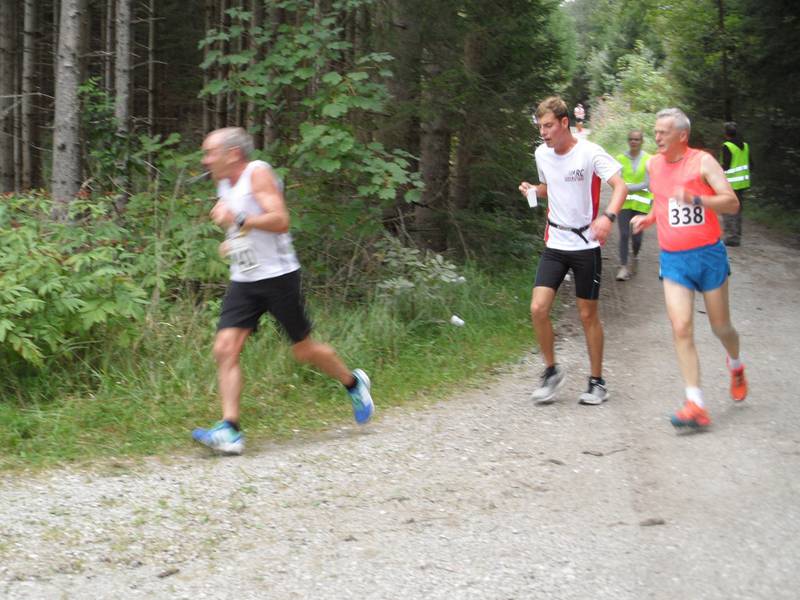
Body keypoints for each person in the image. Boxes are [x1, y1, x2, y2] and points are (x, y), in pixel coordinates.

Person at [192, 127, 374, 454]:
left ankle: (353, 382)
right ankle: (230, 429)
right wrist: (231, 241)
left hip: (278, 277)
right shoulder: (224, 183)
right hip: (244, 279)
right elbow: (240, 225)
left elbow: (280, 220)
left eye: (210, 153)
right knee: (225, 348)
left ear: (232, 154)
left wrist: (239, 219)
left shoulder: (257, 173)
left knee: (304, 350)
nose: (205, 160)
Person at [631, 108, 748, 429]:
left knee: (721, 327)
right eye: (655, 132)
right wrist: (649, 218)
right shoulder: (653, 164)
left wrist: (697, 199)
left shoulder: (703, 162)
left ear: (682, 135)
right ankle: (695, 403)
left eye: (663, 132)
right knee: (681, 327)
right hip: (673, 259)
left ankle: (735, 364)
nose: (657, 137)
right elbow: (662, 201)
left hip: (708, 255)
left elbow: (732, 203)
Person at [518, 96, 628, 405]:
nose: (543, 133)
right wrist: (534, 190)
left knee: (587, 314)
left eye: (548, 126)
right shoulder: (542, 153)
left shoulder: (590, 153)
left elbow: (620, 186)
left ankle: (597, 382)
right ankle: (551, 371)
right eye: (540, 127)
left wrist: (607, 217)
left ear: (565, 122)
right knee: (538, 309)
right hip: (555, 243)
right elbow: (550, 187)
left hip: (585, 245)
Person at [614, 130, 653, 281]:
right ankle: (623, 267)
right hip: (624, 203)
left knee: (637, 238)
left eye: (636, 139)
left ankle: (635, 256)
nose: (633, 142)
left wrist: (625, 187)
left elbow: (647, 184)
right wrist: (623, 187)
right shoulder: (620, 159)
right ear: (628, 141)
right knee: (624, 234)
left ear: (642, 141)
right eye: (631, 139)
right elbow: (616, 181)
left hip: (641, 204)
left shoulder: (649, 159)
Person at [719, 121, 751, 246]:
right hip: (742, 183)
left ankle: (731, 237)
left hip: (730, 183)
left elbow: (726, 166)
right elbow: (751, 164)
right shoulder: (745, 146)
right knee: (738, 208)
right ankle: (737, 235)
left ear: (726, 133)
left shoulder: (727, 146)